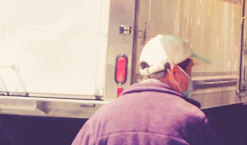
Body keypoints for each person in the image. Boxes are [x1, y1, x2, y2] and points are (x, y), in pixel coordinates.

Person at [72, 34, 221, 145]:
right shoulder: (193, 120)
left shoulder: (102, 118)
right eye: (189, 72)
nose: (190, 78)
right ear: (175, 71)